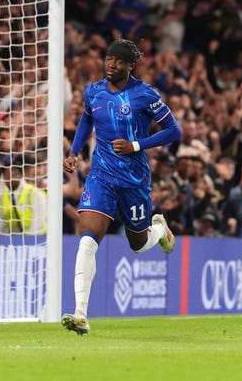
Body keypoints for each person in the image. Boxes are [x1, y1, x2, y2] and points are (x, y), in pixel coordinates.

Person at [61, 39, 182, 335]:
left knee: (138, 244)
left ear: (130, 65)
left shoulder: (144, 95)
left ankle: (160, 231)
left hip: (135, 179)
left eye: (118, 60)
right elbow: (86, 120)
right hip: (101, 174)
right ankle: (80, 314)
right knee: (88, 235)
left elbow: (174, 130)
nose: (111, 64)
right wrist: (75, 152)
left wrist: (136, 145)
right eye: (109, 58)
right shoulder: (94, 91)